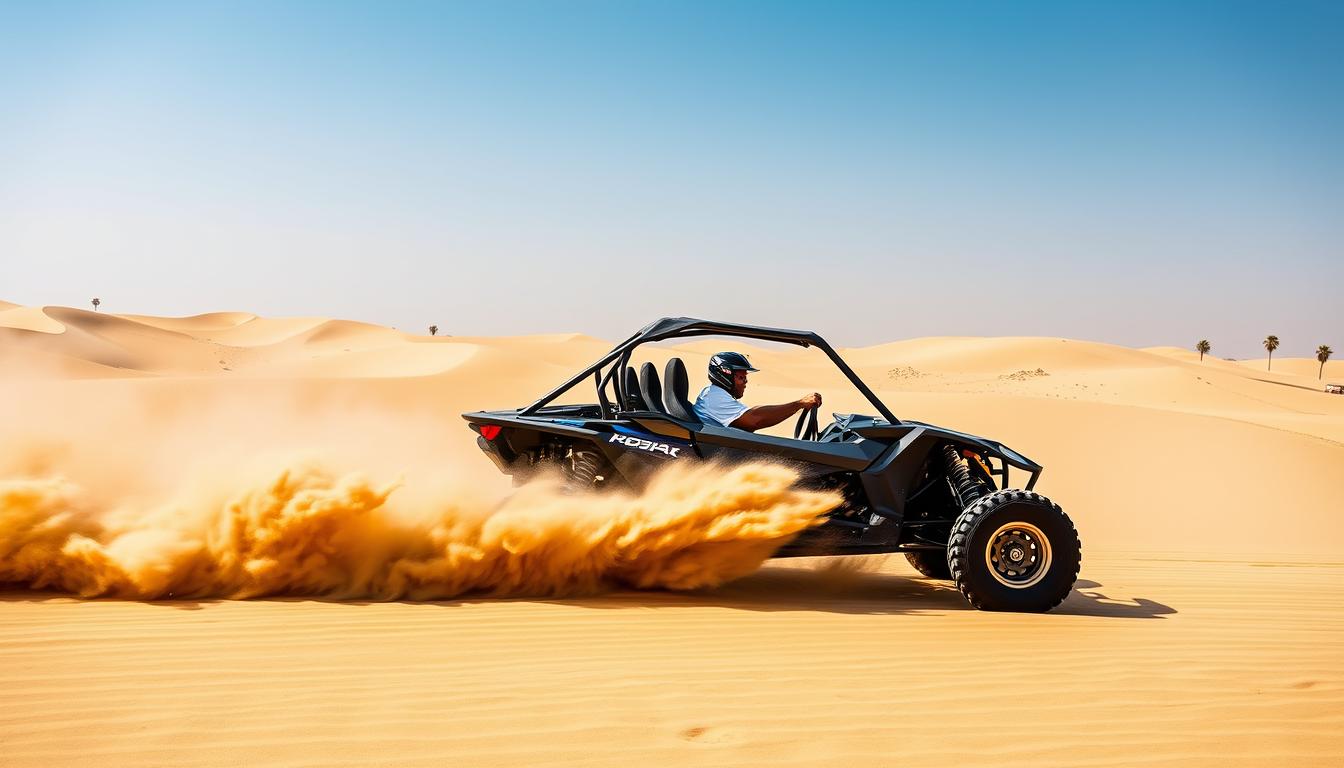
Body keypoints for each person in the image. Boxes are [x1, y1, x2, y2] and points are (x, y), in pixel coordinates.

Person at [693, 351, 822, 432]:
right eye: (741, 377)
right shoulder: (714, 396)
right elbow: (755, 420)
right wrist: (799, 404)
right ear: (725, 376)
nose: (746, 381)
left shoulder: (712, 393)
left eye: (746, 376)